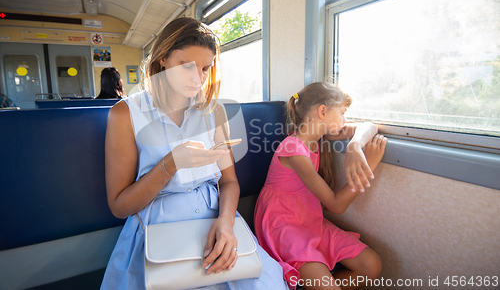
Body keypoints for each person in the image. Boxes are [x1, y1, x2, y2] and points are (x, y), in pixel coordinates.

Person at [100, 17, 288, 290]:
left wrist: (226, 223)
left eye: (205, 68)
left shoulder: (215, 111)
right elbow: (120, 206)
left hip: (216, 217)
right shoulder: (125, 114)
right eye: (186, 66)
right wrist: (171, 164)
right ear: (162, 58)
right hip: (156, 226)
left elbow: (229, 181)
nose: (198, 78)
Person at [254, 82, 388, 290]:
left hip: (309, 219)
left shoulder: (323, 135)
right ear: (323, 111)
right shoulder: (293, 149)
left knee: (371, 265)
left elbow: (368, 127)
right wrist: (369, 164)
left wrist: (354, 145)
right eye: (342, 113)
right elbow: (336, 205)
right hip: (285, 224)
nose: (345, 120)